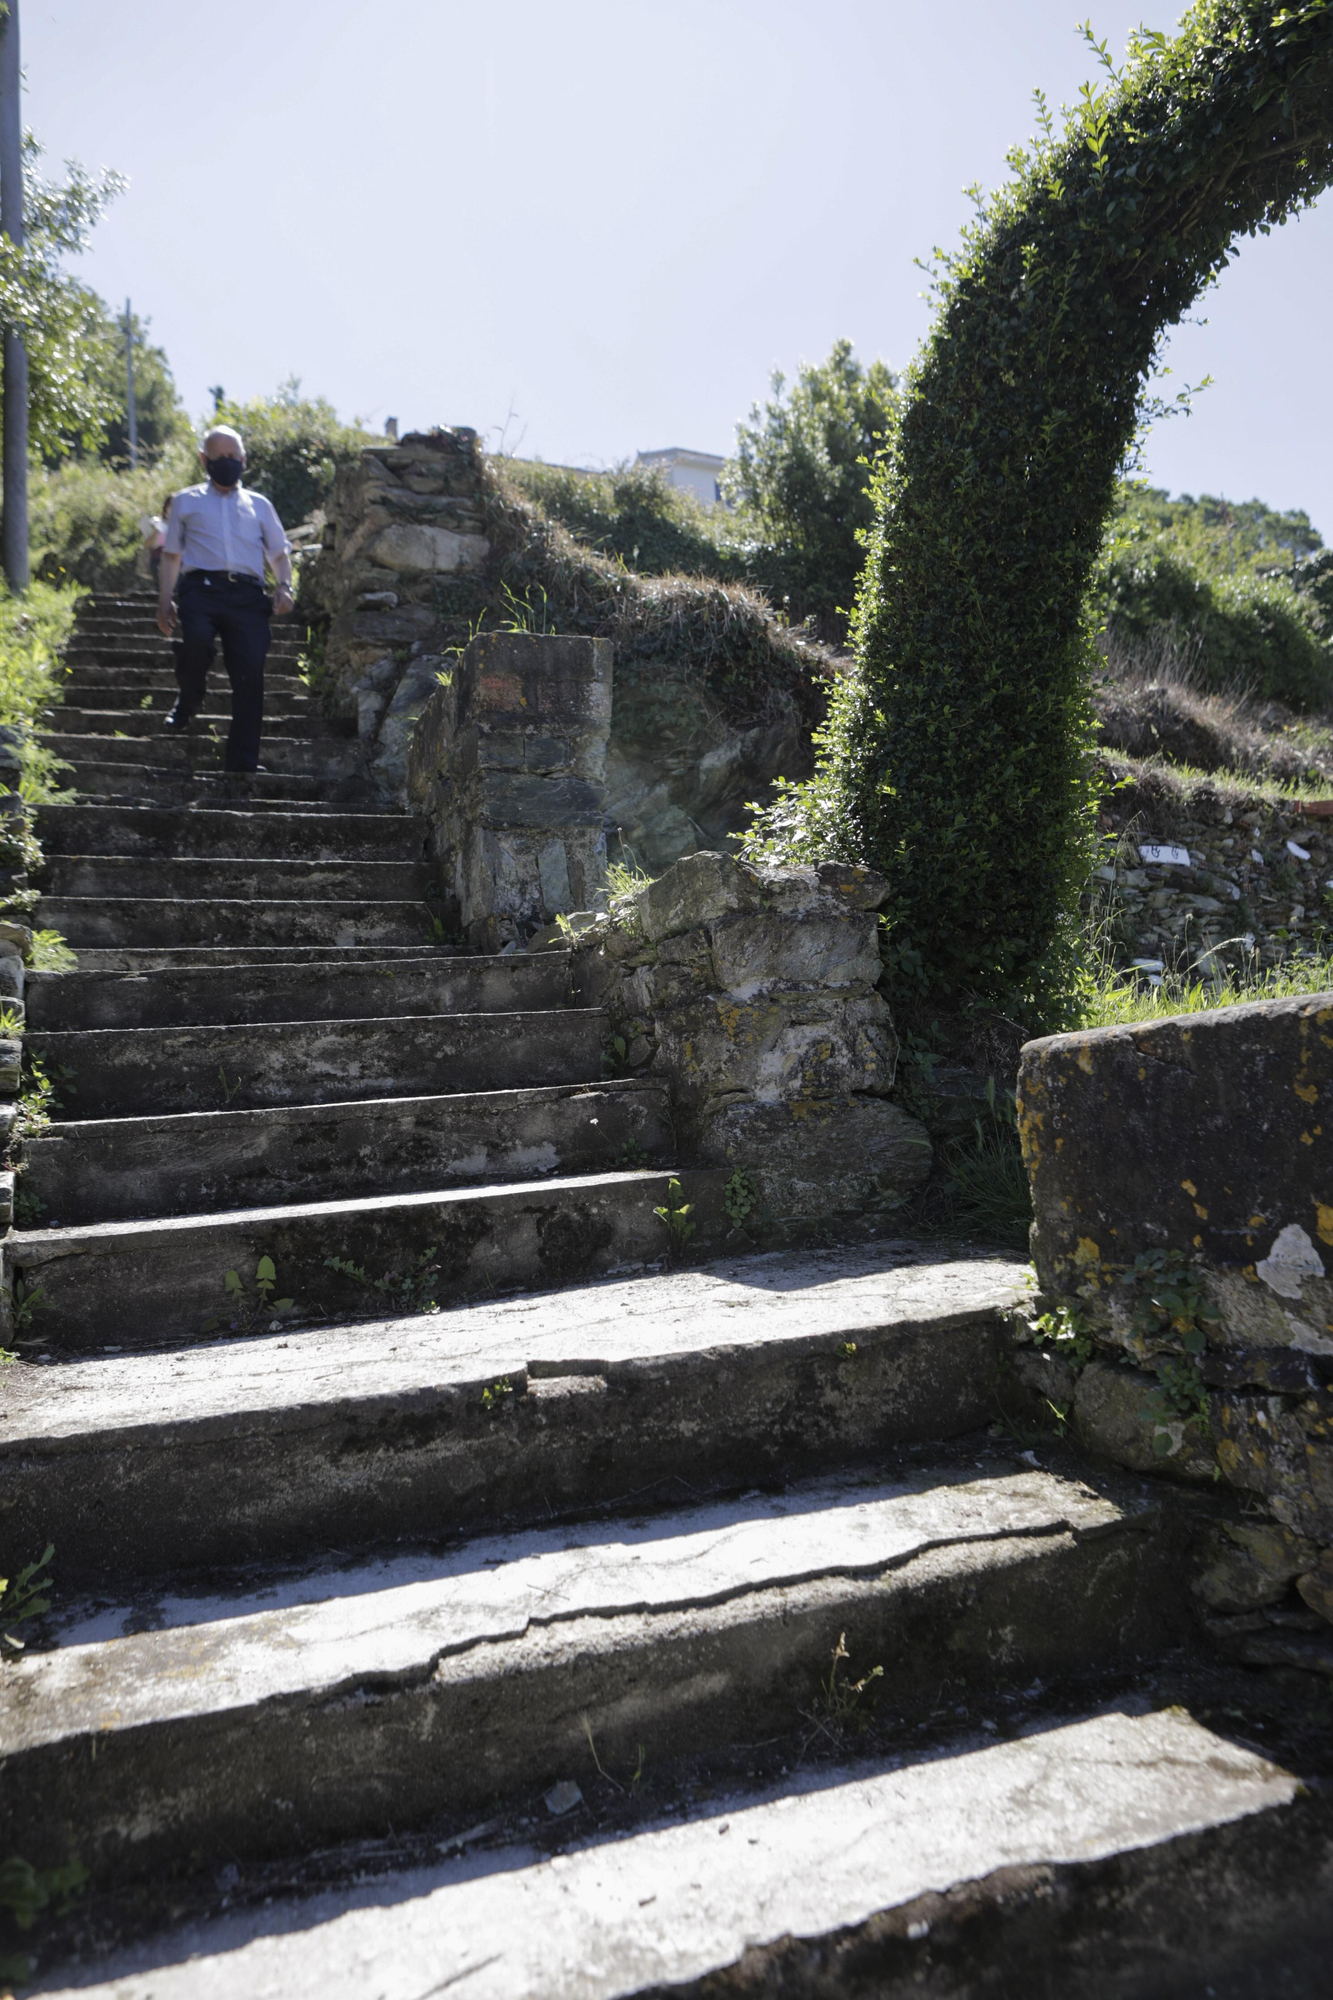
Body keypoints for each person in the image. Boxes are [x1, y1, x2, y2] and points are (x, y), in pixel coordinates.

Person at [158, 427, 295, 773]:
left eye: (233, 458)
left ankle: (242, 764)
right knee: (196, 642)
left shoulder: (260, 506)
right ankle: (189, 699)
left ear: (243, 460)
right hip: (199, 590)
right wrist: (164, 600)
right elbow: (172, 555)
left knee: (250, 676)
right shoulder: (186, 502)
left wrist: (284, 586)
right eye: (219, 458)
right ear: (204, 460)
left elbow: (278, 554)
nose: (227, 464)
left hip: (249, 596)